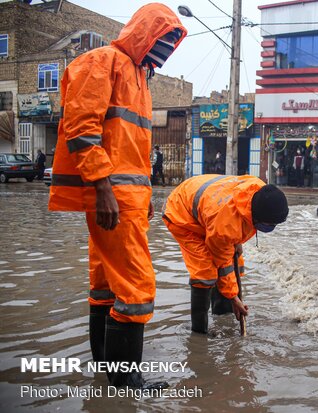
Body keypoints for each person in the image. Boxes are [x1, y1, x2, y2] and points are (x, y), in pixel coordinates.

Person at [47, 3, 186, 389]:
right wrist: (102, 187)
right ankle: (127, 386)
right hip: (111, 197)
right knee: (137, 286)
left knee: (106, 282)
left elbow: (133, 147)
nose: (165, 49)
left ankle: (108, 376)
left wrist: (147, 194)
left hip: (128, 196)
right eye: (162, 38)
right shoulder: (103, 61)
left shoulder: (140, 76)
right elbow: (81, 127)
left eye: (171, 42)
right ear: (144, 32)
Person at [162, 175, 289, 333]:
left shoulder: (258, 190)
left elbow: (237, 220)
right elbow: (222, 262)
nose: (271, 227)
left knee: (236, 263)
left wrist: (237, 242)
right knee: (205, 273)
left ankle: (222, 316)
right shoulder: (224, 227)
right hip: (182, 214)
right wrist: (234, 297)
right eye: (270, 224)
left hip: (208, 209)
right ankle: (199, 333)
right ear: (258, 217)